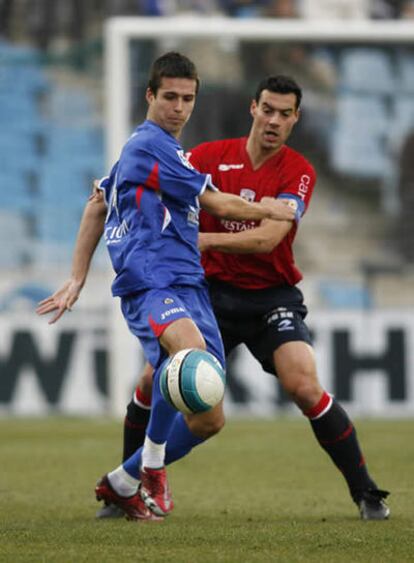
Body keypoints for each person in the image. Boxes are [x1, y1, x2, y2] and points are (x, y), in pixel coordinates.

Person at [100, 74, 390, 521]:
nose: (274, 120)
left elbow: (269, 238)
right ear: (253, 108)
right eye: (268, 109)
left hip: (270, 298)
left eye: (285, 114)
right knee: (151, 380)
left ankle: (366, 492)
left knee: (304, 386)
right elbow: (152, 191)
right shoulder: (208, 157)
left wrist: (204, 242)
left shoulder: (299, 172)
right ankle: (131, 486)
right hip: (209, 293)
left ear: (296, 119)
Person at [36, 53, 295, 521]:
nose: (179, 107)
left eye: (188, 98)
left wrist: (76, 277)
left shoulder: (163, 156)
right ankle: (153, 468)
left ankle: (121, 482)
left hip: (190, 282)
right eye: (170, 96)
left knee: (209, 416)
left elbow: (98, 204)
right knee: (188, 356)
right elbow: (220, 203)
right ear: (150, 96)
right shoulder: (147, 145)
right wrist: (278, 210)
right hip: (150, 278)